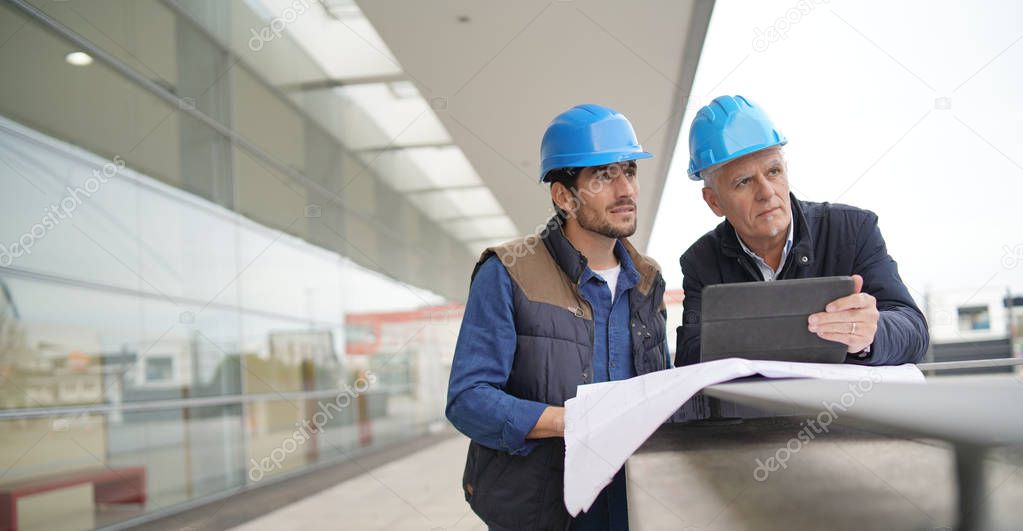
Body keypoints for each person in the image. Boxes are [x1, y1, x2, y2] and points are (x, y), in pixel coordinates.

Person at [446, 104, 670, 530]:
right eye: (604, 176)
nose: (626, 189)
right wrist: (568, 423)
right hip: (540, 510)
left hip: (632, 506)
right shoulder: (508, 272)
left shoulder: (648, 280)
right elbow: (467, 399)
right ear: (565, 196)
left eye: (629, 170)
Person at [676, 95, 929, 368]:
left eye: (773, 171)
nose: (766, 192)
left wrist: (871, 334)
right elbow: (691, 354)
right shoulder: (701, 261)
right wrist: (774, 333)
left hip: (844, 408)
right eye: (744, 182)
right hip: (758, 410)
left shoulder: (852, 231)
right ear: (714, 201)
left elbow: (913, 330)